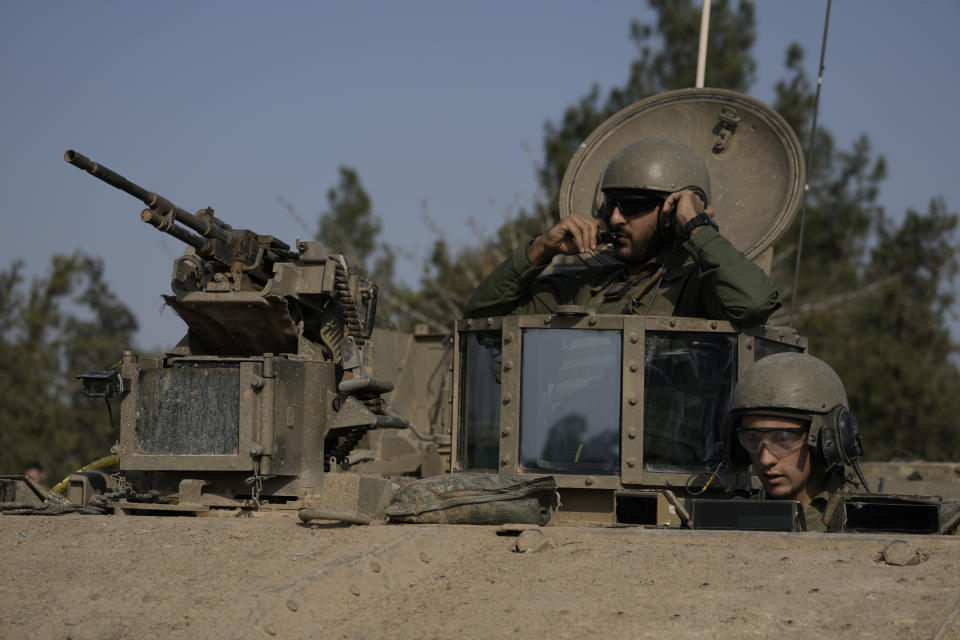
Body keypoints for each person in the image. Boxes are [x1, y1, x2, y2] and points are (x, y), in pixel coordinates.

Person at [463, 139, 781, 324]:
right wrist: (541, 249)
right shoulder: (582, 286)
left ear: (671, 211)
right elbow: (480, 319)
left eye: (632, 205)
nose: (615, 218)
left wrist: (696, 226)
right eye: (611, 204)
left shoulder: (699, 285)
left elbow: (754, 304)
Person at [724, 352, 866, 531]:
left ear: (826, 441)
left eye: (782, 438)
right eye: (752, 438)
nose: (766, 459)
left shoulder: (864, 520)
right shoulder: (734, 519)